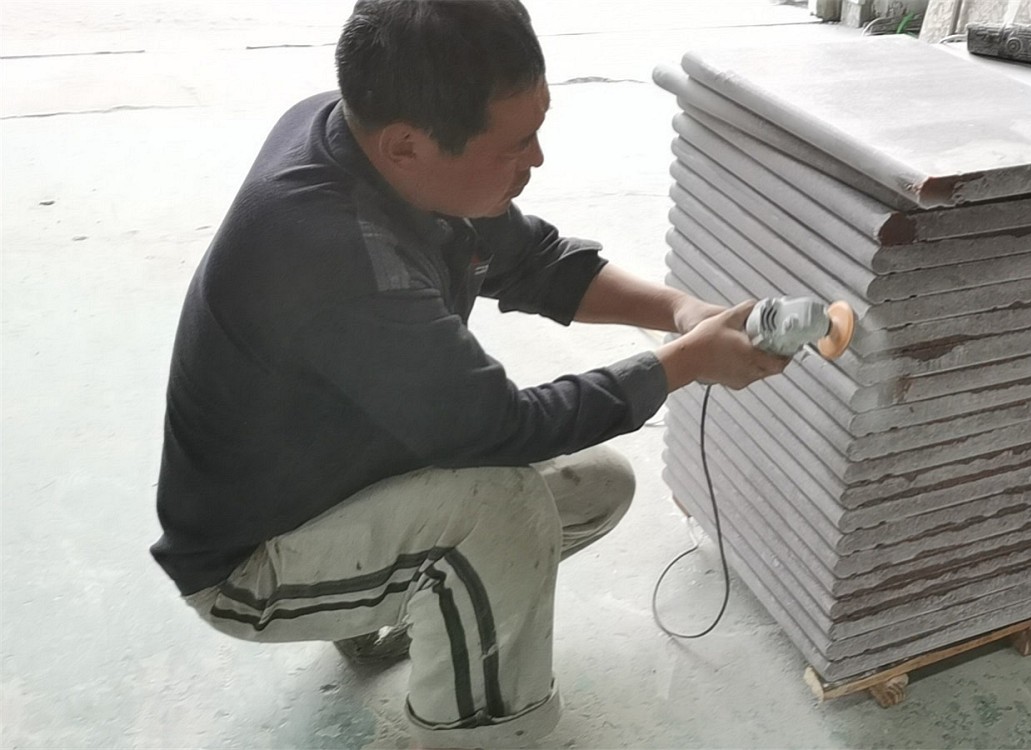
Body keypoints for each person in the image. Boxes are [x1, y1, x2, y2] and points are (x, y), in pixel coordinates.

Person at [149, 0, 789, 745]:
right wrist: (688, 362)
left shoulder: (369, 133)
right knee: (502, 513)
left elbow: (533, 261)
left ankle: (383, 610)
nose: (536, 159)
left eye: (538, 129)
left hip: (331, 478)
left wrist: (680, 311)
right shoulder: (332, 250)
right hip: (250, 563)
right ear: (406, 146)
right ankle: (486, 734)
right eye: (515, 144)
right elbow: (502, 428)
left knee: (593, 486)